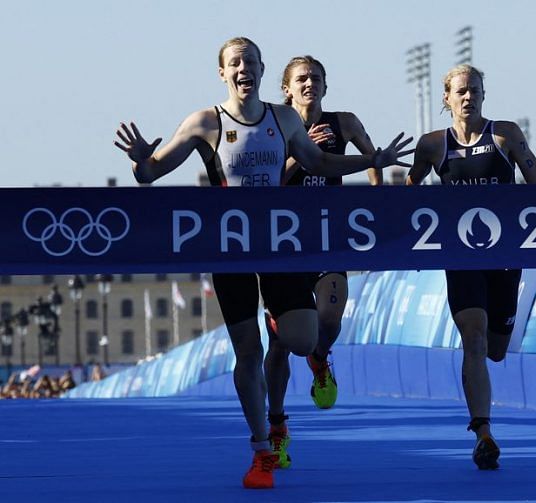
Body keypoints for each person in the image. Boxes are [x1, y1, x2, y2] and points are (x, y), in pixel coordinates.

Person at [114, 37, 412, 489]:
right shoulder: (204, 122)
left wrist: (372, 160)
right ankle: (261, 450)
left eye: (249, 62)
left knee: (302, 339)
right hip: (230, 251)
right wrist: (140, 163)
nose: (242, 70)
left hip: (279, 246)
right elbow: (152, 173)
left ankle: (279, 322)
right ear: (222, 73)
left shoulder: (283, 117)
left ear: (260, 69)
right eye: (234, 64)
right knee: (248, 355)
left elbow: (320, 160)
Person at [406, 64, 536, 470]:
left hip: (505, 258)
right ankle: (483, 432)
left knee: (497, 349)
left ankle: (484, 422)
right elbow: (406, 200)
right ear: (446, 99)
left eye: (476, 91)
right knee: (475, 339)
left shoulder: (505, 136)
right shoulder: (432, 146)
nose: (469, 97)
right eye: (461, 91)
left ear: (484, 95)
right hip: (460, 257)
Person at [262, 55, 381, 469]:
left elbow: (372, 160)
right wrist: (303, 152)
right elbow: (269, 181)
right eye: (301, 79)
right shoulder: (272, 124)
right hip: (285, 244)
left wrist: (377, 197)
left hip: (329, 238)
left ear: (325, 86)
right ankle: (277, 428)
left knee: (328, 320)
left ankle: (319, 360)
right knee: (277, 344)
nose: (309, 84)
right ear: (286, 88)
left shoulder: (343, 121)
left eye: (316, 78)